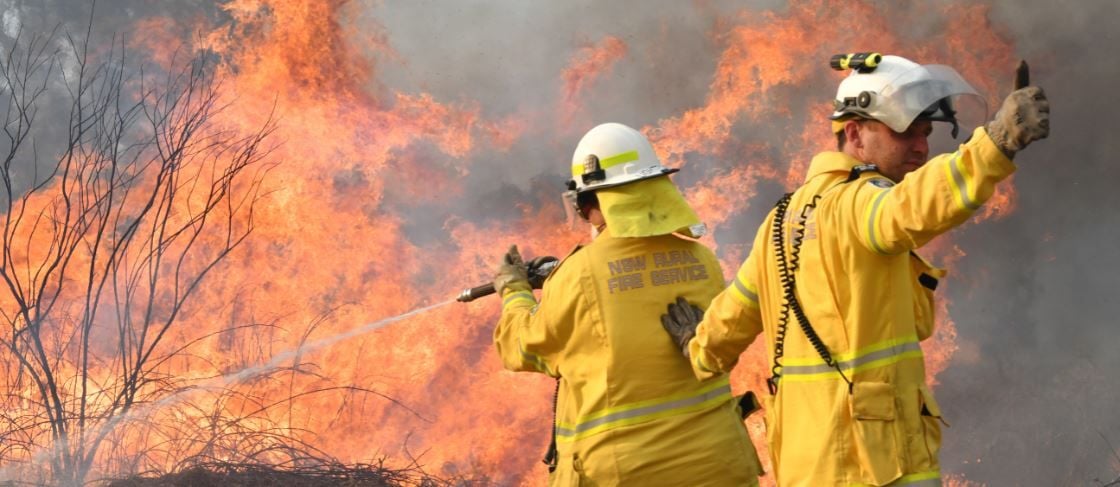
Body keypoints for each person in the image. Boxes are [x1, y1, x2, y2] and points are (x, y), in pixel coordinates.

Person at [660, 53, 1050, 486]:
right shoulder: (861, 202)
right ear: (854, 133)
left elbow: (733, 315)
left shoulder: (780, 222)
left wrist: (698, 347)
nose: (921, 147)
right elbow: (914, 207)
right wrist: (996, 142)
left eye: (924, 134)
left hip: (807, 467)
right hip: (875, 466)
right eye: (905, 134)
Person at [491, 122, 763, 486]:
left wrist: (515, 291)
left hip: (627, 473)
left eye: (583, 205)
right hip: (720, 466)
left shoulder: (578, 273)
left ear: (594, 201)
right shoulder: (703, 260)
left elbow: (522, 348)